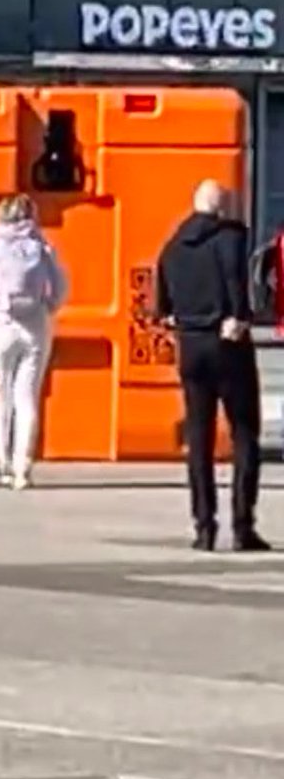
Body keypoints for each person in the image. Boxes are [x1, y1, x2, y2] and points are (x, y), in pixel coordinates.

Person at [156, 179, 269, 552]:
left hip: (191, 345)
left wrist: (178, 319)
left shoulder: (173, 246)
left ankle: (204, 527)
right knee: (244, 433)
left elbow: (162, 305)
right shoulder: (229, 238)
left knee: (199, 438)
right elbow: (236, 280)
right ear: (222, 208)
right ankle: (242, 526)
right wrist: (239, 315)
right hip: (227, 342)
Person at [0, 194, 67, 490]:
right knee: (27, 396)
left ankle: (1, 463)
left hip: (1, 326)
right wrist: (46, 306)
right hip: (35, 325)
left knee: (0, 393)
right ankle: (24, 467)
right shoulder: (41, 245)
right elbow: (60, 287)